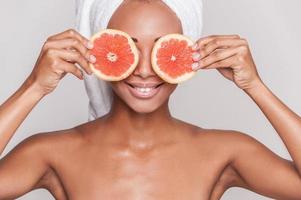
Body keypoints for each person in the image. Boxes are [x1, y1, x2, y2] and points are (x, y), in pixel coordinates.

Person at [1, 0, 301, 199]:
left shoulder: (224, 151)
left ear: (188, 55)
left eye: (163, 50)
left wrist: (255, 86)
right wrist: (34, 87)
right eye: (126, 48)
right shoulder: (52, 153)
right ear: (98, 52)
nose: (144, 71)